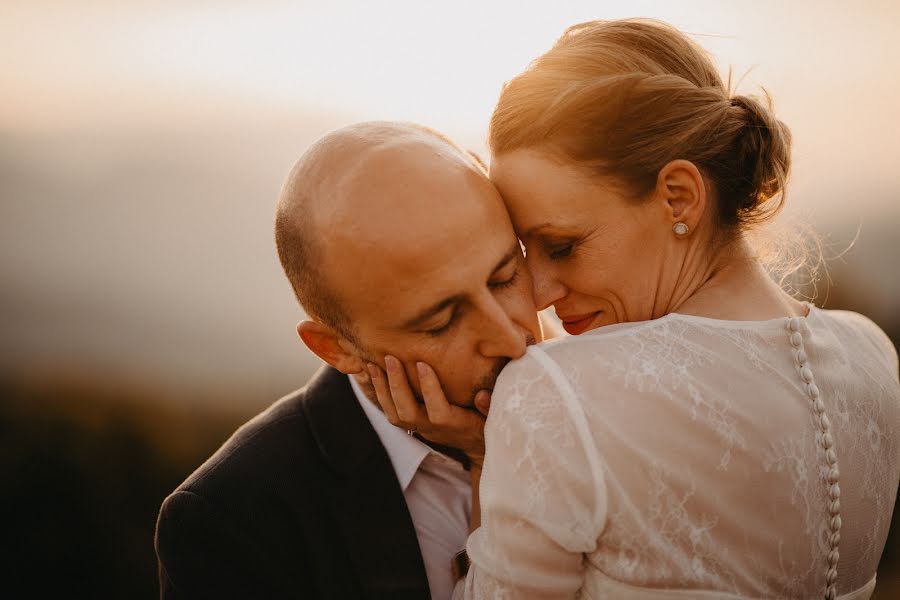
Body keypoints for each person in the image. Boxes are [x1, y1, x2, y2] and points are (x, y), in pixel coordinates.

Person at [371, 19, 900, 599]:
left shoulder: (558, 392)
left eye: (563, 246)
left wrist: (486, 455)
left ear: (679, 196)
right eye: (525, 256)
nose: (540, 291)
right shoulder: (872, 352)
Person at [154, 121, 542, 599]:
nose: (512, 340)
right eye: (441, 321)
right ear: (336, 348)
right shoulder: (232, 521)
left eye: (505, 276)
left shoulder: (612, 382)